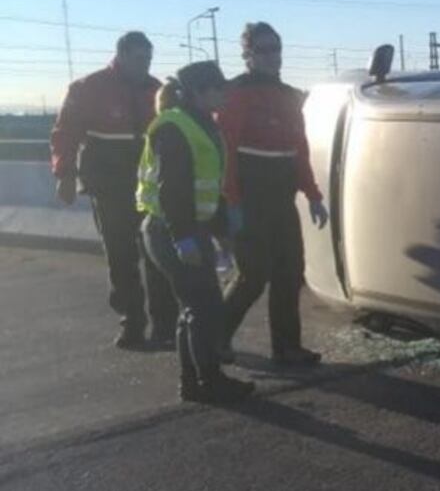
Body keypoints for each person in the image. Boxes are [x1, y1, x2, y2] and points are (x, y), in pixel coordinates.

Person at [50, 31, 178, 349]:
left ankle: (165, 325)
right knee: (121, 256)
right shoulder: (88, 88)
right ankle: (132, 323)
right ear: (120, 55)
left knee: (156, 254)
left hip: (148, 187)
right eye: (139, 58)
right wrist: (64, 174)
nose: (145, 65)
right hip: (109, 187)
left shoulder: (156, 90)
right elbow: (65, 133)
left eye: (148, 59)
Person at [137, 61, 255, 403]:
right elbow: (173, 190)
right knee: (203, 308)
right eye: (219, 89)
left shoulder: (203, 125)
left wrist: (220, 232)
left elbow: (208, 188)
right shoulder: (174, 128)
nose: (226, 95)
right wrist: (184, 238)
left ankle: (194, 382)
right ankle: (208, 381)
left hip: (186, 228)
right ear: (199, 93)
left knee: (196, 307)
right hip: (170, 230)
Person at [216, 22, 329, 366]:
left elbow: (300, 148)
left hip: (281, 197)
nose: (272, 57)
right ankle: (212, 338)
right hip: (250, 196)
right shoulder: (235, 93)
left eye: (276, 48)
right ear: (248, 55)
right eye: (263, 50)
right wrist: (232, 201)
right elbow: (226, 151)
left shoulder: (287, 94)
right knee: (252, 275)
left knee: (290, 272)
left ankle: (287, 347)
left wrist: (312, 194)